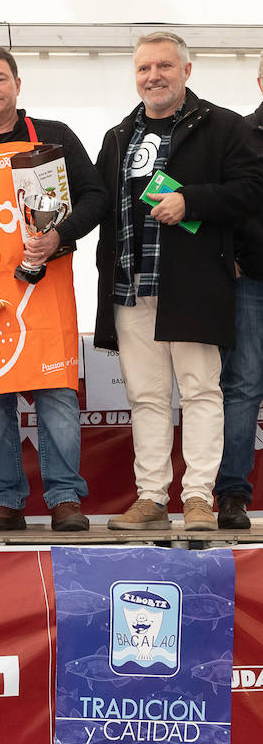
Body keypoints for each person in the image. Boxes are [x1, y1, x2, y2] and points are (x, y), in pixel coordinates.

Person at [94, 31, 263, 531]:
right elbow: (100, 206)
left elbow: (253, 190)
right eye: (144, 68)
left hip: (193, 284)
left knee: (201, 392)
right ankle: (150, 499)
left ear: (186, 71)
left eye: (164, 66)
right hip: (131, 288)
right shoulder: (119, 135)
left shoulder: (224, 127)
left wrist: (193, 200)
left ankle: (197, 500)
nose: (154, 76)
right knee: (145, 397)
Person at [0, 45, 109, 532]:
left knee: (56, 392)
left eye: (0, 79)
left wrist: (59, 235)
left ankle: (64, 498)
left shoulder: (54, 137)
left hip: (46, 285)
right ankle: (6, 500)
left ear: (17, 84)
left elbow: (96, 197)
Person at [215, 58, 263, 530]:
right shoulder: (239, 132)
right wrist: (224, 252)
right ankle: (232, 494)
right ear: (260, 81)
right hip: (251, 278)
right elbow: (224, 200)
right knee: (244, 387)